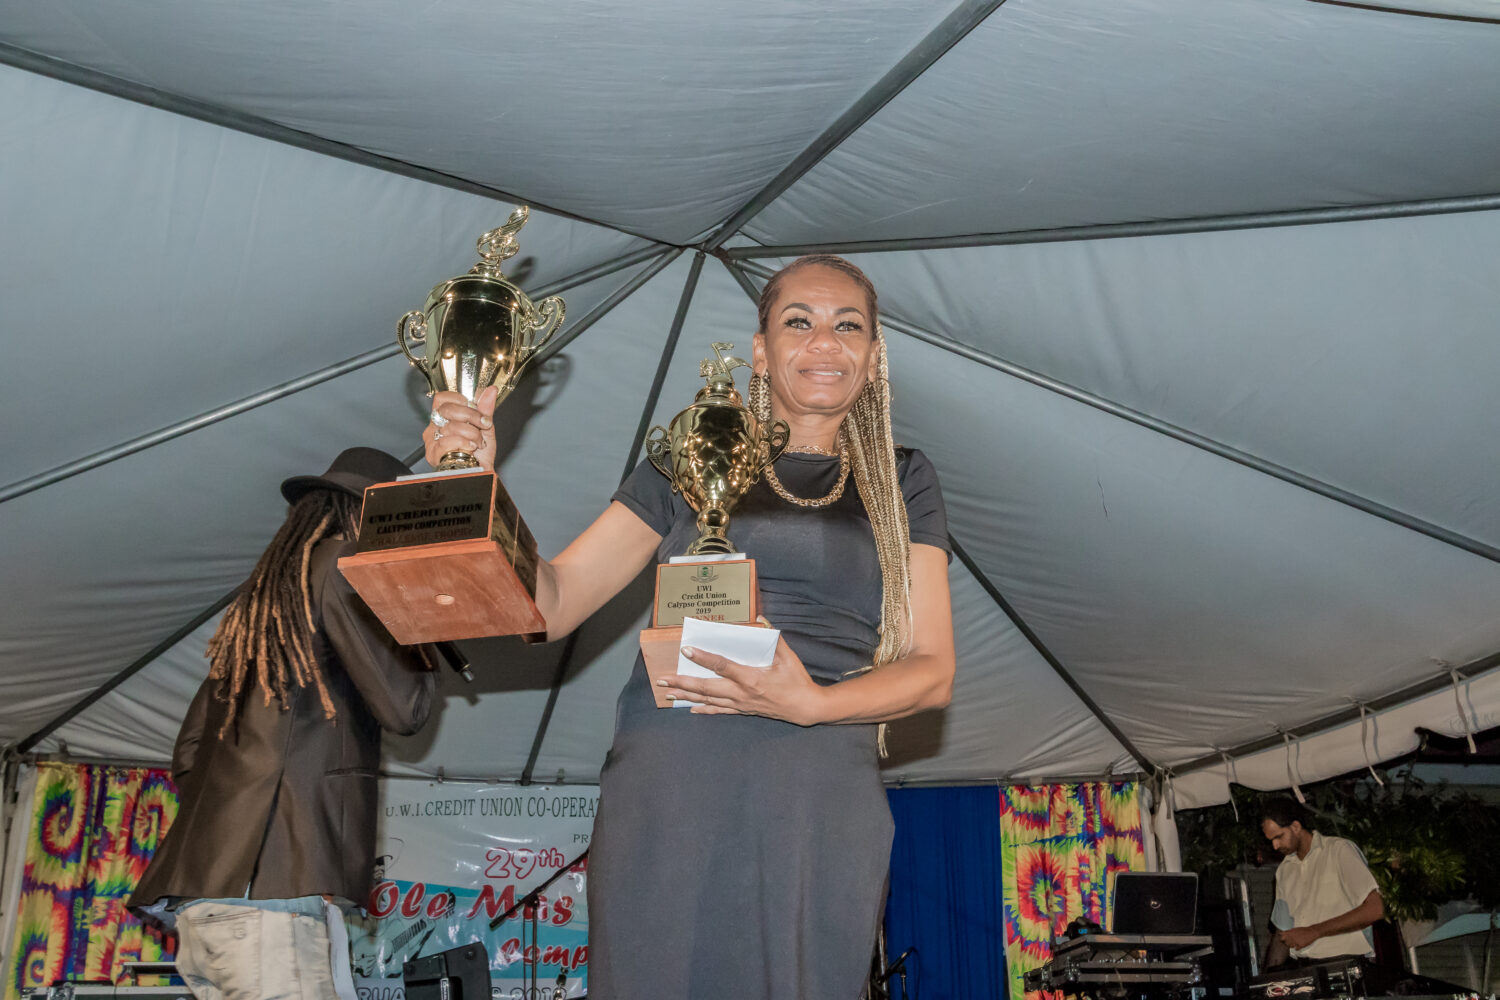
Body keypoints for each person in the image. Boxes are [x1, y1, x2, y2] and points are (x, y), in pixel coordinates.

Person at [424, 255, 956, 998]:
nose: (824, 342)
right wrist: (478, 483)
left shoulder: (903, 479)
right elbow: (555, 603)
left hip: (818, 783)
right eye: (798, 322)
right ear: (760, 352)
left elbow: (932, 670)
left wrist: (813, 704)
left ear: (873, 356)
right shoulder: (685, 452)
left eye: (848, 326)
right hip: (675, 773)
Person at [130, 447, 437, 1000]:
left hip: (209, 908)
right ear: (371, 517)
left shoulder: (266, 604)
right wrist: (421, 611)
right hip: (268, 905)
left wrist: (242, 830)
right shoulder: (342, 564)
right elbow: (406, 708)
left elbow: (190, 753)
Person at [1260, 797, 1385, 969]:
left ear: (1295, 826)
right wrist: (1268, 978)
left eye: (1279, 837)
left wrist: (1314, 931)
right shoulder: (1284, 870)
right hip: (1306, 968)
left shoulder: (1338, 850)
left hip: (1348, 964)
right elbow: (1282, 932)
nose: (1275, 846)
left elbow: (1376, 909)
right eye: (1271, 840)